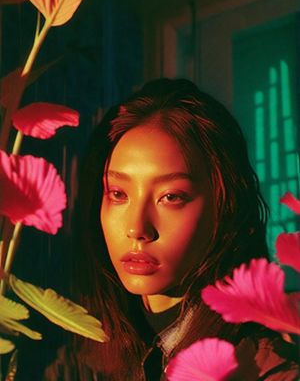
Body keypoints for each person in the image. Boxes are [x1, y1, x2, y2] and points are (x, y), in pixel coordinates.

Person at [44, 78, 299, 381]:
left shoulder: (267, 369)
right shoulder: (81, 361)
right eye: (118, 194)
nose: (137, 229)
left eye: (171, 197)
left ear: (224, 206)